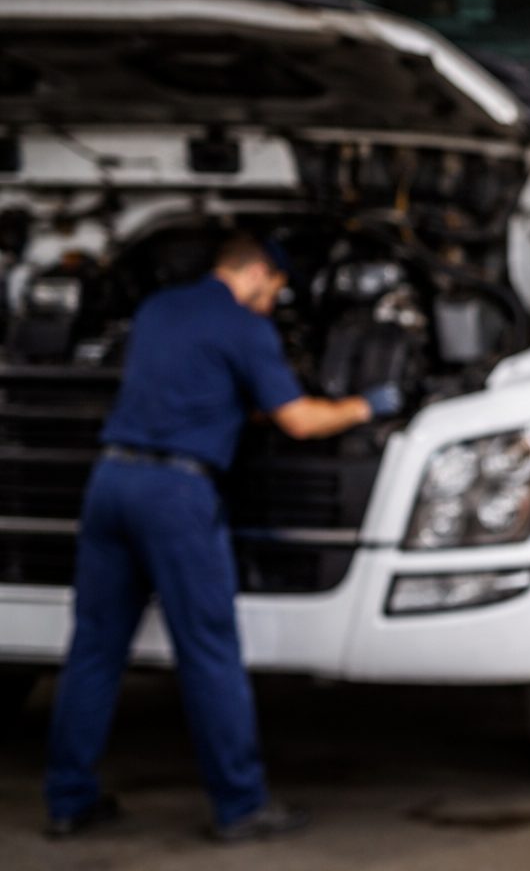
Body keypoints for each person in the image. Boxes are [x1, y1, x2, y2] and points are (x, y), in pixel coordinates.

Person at [43, 234, 402, 843]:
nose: (273, 302)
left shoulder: (158, 309)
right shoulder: (245, 327)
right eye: (275, 289)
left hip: (110, 482)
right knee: (209, 651)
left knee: (95, 649)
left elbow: (190, 386)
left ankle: (68, 800)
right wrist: (366, 406)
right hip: (176, 495)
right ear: (257, 272)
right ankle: (240, 805)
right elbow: (298, 419)